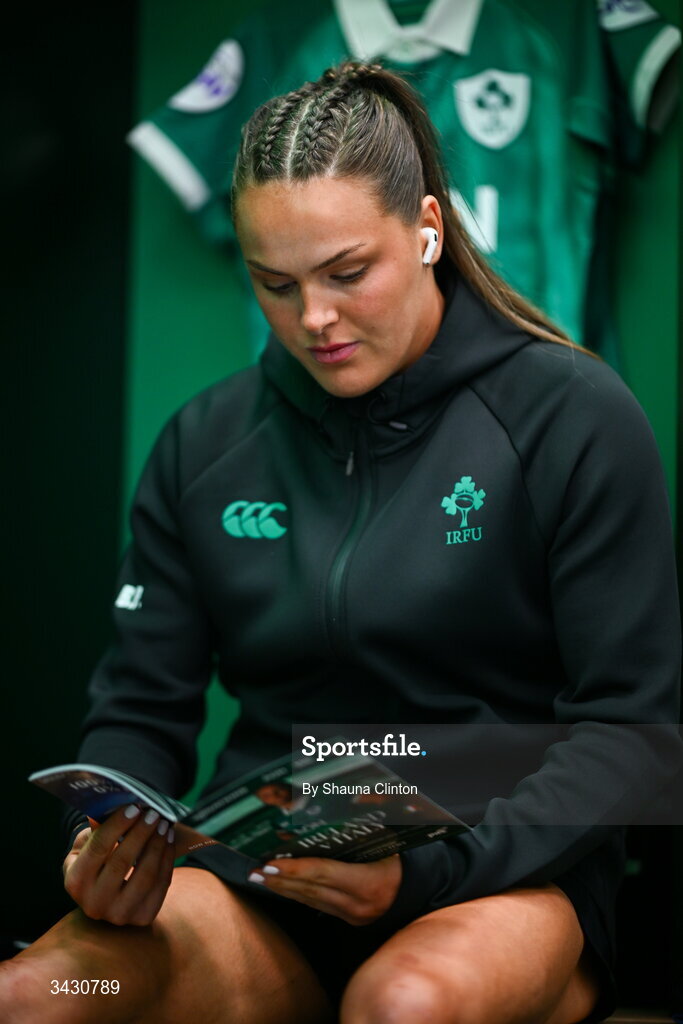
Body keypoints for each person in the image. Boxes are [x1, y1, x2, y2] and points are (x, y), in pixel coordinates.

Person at [2, 61, 680, 1024]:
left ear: (429, 231)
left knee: (400, 1006)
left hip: (502, 870)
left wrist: (426, 876)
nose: (312, 319)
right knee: (39, 994)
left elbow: (634, 737)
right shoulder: (206, 444)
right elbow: (140, 712)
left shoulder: (570, 415)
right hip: (268, 878)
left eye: (346, 273)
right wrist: (103, 838)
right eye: (274, 283)